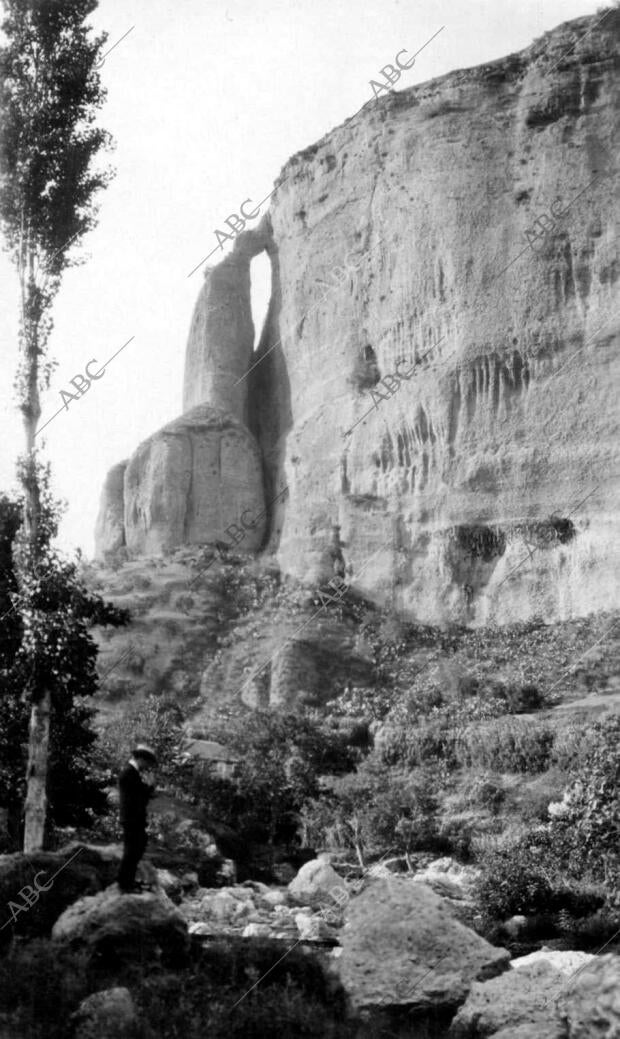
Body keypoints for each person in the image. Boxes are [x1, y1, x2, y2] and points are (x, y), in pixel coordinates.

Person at [117, 744, 157, 893]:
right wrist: (151, 785)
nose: (147, 766)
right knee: (132, 851)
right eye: (147, 762)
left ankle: (128, 881)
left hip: (133, 818)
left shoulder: (132, 773)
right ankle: (125, 884)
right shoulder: (129, 773)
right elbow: (140, 796)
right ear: (141, 759)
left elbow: (140, 794)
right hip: (132, 818)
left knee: (136, 849)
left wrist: (147, 787)